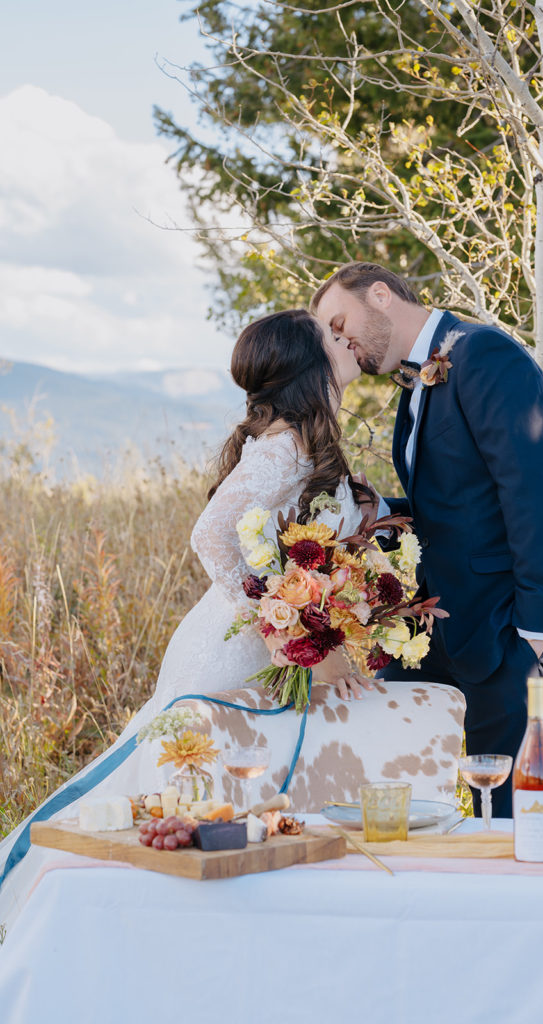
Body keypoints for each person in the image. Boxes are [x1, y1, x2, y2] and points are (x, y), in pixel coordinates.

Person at [0, 308, 373, 928]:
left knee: (226, 792)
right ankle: (78, 912)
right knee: (176, 782)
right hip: (226, 649)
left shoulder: (307, 445)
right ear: (311, 368)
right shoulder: (281, 450)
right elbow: (211, 536)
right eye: (333, 337)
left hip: (259, 646)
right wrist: (280, 625)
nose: (346, 340)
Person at [312, 262, 543, 817]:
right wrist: (382, 511)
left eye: (340, 323)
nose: (342, 342)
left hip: (510, 622)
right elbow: (457, 505)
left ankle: (516, 900)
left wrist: (535, 632)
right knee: (386, 759)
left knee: (502, 805)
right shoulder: (415, 384)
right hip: (438, 620)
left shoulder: (485, 356)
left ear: (379, 295)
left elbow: (537, 496)